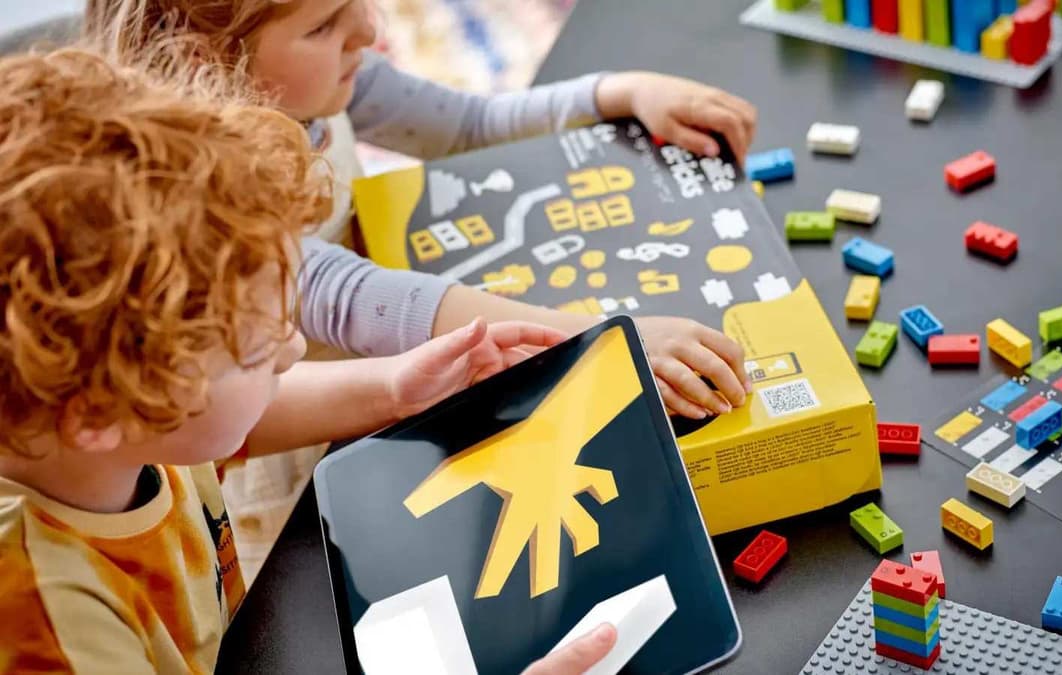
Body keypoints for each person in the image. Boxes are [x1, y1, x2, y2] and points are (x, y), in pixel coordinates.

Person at [0, 47, 611, 673]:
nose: (293, 346)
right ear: (102, 410)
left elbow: (226, 426)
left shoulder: (106, 423)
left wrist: (394, 388)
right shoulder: (47, 622)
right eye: (257, 348)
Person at [86, 0, 761, 420]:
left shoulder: (328, 78)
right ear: (212, 59)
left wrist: (618, 91)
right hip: (298, 418)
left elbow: (467, 123)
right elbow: (361, 300)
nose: (370, 29)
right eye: (324, 24)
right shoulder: (204, 190)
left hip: (390, 372)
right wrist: (607, 335)